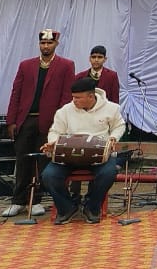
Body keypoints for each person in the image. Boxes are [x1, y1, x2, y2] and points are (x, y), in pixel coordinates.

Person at [4, 28, 77, 217]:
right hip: (26, 119)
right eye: (43, 43)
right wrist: (11, 120)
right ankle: (18, 200)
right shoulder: (26, 65)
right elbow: (16, 94)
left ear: (56, 44)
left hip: (50, 121)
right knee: (23, 160)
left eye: (49, 43)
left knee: (42, 161)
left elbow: (66, 96)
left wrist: (60, 122)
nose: (46, 46)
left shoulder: (66, 65)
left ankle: (35, 200)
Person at [40, 76, 126, 224]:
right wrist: (53, 143)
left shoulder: (112, 108)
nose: (74, 101)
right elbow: (55, 130)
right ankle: (67, 208)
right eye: (73, 97)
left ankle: (92, 207)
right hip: (70, 156)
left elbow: (119, 126)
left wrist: (113, 138)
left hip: (99, 156)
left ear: (91, 96)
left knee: (109, 172)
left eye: (78, 97)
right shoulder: (65, 111)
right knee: (49, 175)